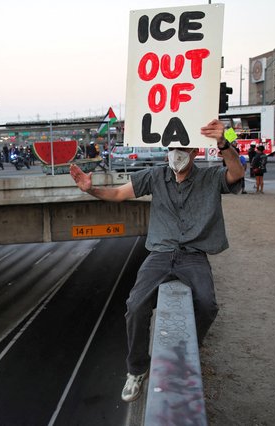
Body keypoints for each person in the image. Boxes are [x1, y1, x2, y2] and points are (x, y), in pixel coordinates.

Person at [69, 119, 244, 403]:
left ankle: (188, 352)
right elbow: (117, 194)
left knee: (208, 304)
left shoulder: (210, 178)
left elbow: (236, 173)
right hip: (159, 255)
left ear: (195, 153)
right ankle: (137, 369)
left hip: (194, 255)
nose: (176, 154)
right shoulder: (154, 176)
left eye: (183, 149)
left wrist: (225, 142)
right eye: (172, 148)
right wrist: (91, 189)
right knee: (135, 306)